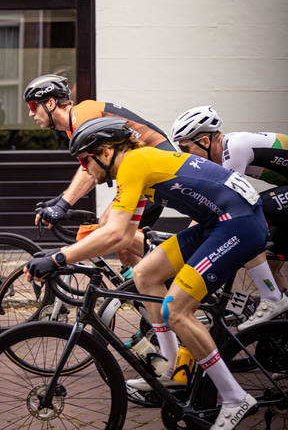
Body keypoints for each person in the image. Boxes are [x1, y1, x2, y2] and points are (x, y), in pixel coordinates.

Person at [24, 117, 267, 429]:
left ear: (106, 152)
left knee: (176, 310)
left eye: (85, 160)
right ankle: (172, 370)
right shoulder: (137, 167)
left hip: (238, 222)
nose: (84, 168)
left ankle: (235, 397)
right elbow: (124, 237)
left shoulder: (134, 163)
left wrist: (58, 258)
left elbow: (113, 234)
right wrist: (60, 255)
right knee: (146, 274)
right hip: (217, 221)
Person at [24, 74, 175, 266]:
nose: (31, 114)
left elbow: (89, 172)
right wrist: (61, 201)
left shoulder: (83, 114)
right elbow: (90, 170)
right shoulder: (74, 126)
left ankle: (175, 258)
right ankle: (138, 287)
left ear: (51, 103)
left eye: (32, 106)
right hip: (143, 171)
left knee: (109, 226)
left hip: (155, 167)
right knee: (122, 245)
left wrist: (62, 205)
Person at [170, 105, 288, 330]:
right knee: (269, 261)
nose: (185, 155)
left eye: (186, 148)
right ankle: (278, 328)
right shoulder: (222, 152)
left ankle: (271, 299)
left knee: (245, 223)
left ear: (204, 141)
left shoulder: (234, 148)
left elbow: (230, 204)